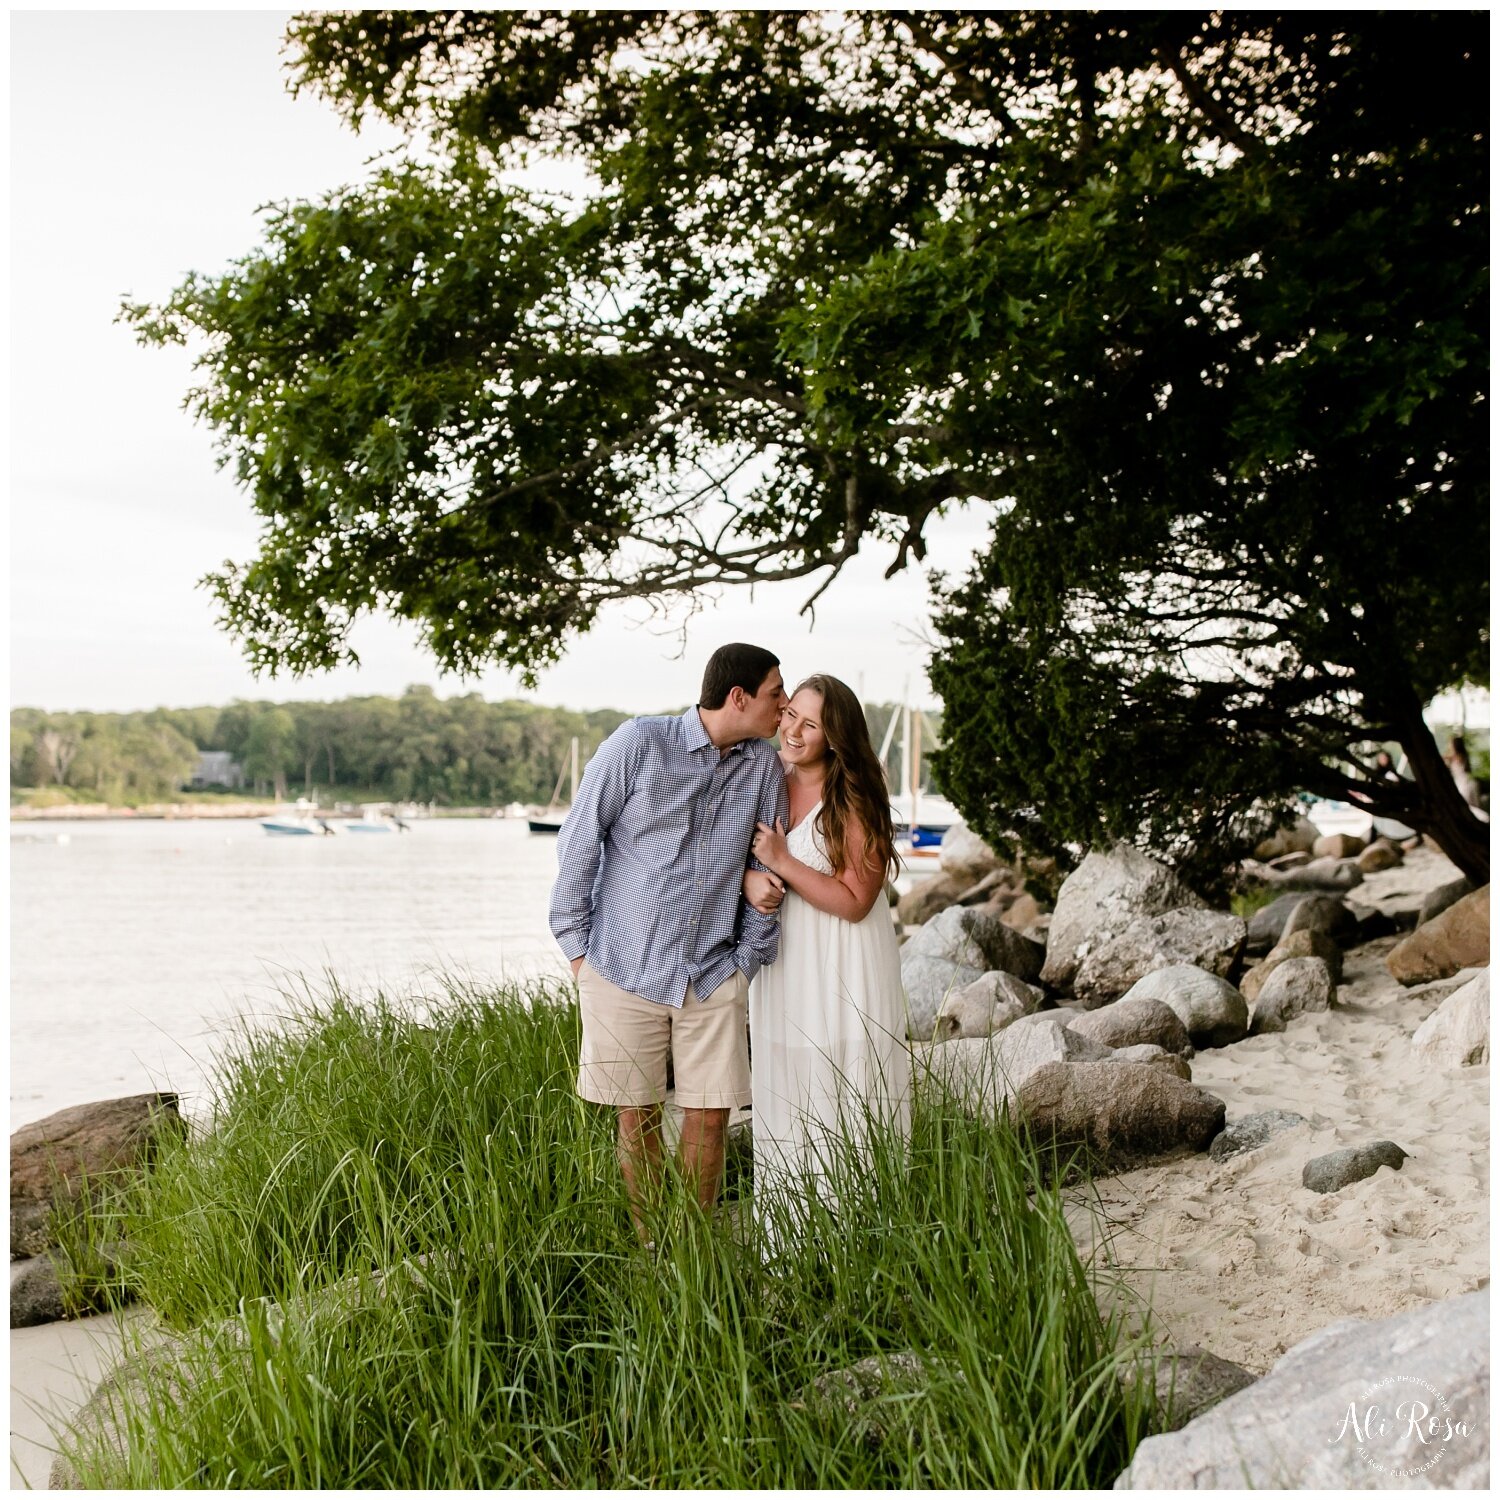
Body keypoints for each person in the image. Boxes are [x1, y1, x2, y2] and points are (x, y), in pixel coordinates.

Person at [549, 643, 790, 1242]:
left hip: (711, 972)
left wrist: (746, 962)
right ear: (738, 697)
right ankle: (653, 1244)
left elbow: (772, 863)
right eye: (775, 694)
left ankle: (693, 1245)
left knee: (711, 1118)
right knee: (638, 1116)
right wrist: (578, 951)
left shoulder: (761, 766)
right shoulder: (638, 744)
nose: (782, 707)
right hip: (621, 966)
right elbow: (580, 840)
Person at [743, 673, 911, 1238]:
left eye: (809, 724)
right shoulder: (769, 780)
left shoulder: (854, 797)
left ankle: (858, 1240)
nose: (791, 729)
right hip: (785, 967)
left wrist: (784, 862)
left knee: (846, 1090)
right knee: (787, 1087)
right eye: (789, 713)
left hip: (843, 967)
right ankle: (788, 1242)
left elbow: (857, 901)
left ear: (835, 737)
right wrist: (750, 878)